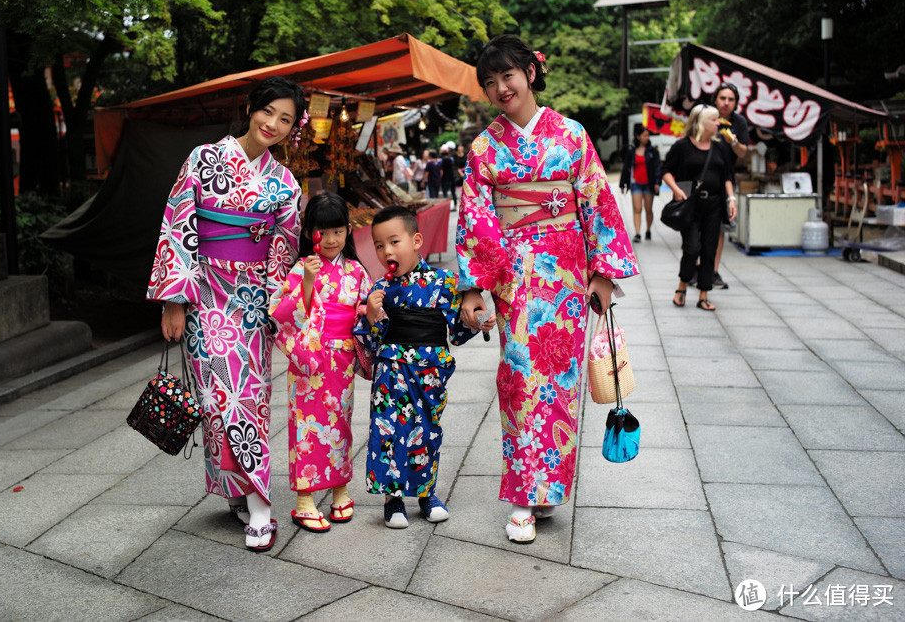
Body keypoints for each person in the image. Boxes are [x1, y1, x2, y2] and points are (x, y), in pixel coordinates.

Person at [455, 35, 638, 544]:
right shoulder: (485, 147)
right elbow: (476, 216)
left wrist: (603, 274)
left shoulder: (572, 136)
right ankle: (522, 495)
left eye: (507, 76)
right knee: (517, 381)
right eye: (489, 82)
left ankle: (545, 489)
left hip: (565, 276)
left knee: (560, 384)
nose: (500, 88)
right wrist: (473, 287)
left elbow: (597, 203)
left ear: (530, 73)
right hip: (513, 275)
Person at [149, 76, 307, 553]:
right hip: (204, 295)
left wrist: (278, 311)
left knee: (245, 399)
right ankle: (240, 489)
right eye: (269, 112)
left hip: (251, 301)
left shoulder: (285, 184)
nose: (274, 124)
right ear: (251, 106)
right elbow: (179, 223)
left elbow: (283, 253)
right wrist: (174, 299)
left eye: (286, 120)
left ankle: (260, 503)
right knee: (218, 402)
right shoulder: (202, 159)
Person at [354, 205, 492, 528]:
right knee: (387, 432)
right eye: (378, 245)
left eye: (393, 241)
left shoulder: (444, 283)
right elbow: (372, 344)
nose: (386, 250)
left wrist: (478, 322)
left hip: (428, 374)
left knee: (426, 434)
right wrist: (373, 318)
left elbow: (457, 331)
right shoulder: (379, 290)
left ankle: (426, 493)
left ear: (416, 240)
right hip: (390, 376)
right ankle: (393, 499)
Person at [270, 192, 372, 532]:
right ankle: (304, 500)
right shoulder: (302, 267)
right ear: (308, 232)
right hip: (309, 360)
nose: (330, 240)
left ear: (347, 231)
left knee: (341, 424)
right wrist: (310, 281)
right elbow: (283, 312)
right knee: (306, 428)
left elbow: (363, 311)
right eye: (322, 232)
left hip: (341, 358)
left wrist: (371, 311)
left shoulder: (355, 270)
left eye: (338, 231)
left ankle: (340, 487)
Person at [661, 103, 737, 311]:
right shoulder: (682, 146)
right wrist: (676, 189)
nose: (718, 123)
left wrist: (731, 199)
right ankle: (682, 284)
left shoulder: (721, 146)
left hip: (714, 204)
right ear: (701, 123)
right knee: (692, 247)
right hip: (691, 205)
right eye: (714, 120)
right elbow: (666, 170)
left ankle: (704, 294)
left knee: (709, 249)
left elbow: (727, 176)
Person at [709, 82, 750, 289]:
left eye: (731, 99)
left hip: (725, 178)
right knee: (697, 227)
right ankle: (696, 267)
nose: (726, 103)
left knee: (720, 228)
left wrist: (732, 141)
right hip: (703, 178)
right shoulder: (707, 116)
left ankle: (713, 270)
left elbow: (743, 153)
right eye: (723, 98)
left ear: (736, 103)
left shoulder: (739, 122)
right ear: (715, 99)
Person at [619, 124, 662, 242]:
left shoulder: (652, 151)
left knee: (648, 209)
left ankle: (648, 229)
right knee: (637, 208)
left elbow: (658, 167)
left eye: (648, 135)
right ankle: (637, 233)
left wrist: (657, 182)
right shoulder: (631, 151)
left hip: (649, 183)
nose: (647, 138)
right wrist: (623, 183)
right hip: (636, 183)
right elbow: (626, 168)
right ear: (638, 137)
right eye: (644, 135)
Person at [439, 142, 459, 209]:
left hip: (444, 178)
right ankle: (455, 205)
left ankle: (446, 207)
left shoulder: (441, 160)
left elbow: (441, 171)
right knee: (453, 193)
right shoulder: (451, 159)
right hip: (452, 178)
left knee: (445, 193)